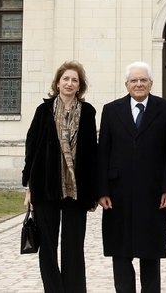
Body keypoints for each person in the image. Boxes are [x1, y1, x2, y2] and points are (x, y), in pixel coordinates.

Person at [97, 62, 166, 293]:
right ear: (126, 84)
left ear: (151, 83)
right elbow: (104, 151)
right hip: (118, 192)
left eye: (143, 80)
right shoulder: (111, 110)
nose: (139, 84)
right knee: (120, 253)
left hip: (153, 192)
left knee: (150, 252)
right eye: (134, 80)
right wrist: (102, 191)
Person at [23, 61, 99, 293]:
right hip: (46, 187)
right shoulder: (43, 110)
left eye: (74, 80)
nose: (69, 83)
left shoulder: (88, 112)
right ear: (57, 83)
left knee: (74, 246)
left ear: (80, 86)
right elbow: (32, 148)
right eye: (65, 79)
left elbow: (92, 153)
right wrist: (28, 188)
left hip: (77, 190)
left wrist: (94, 192)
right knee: (47, 245)